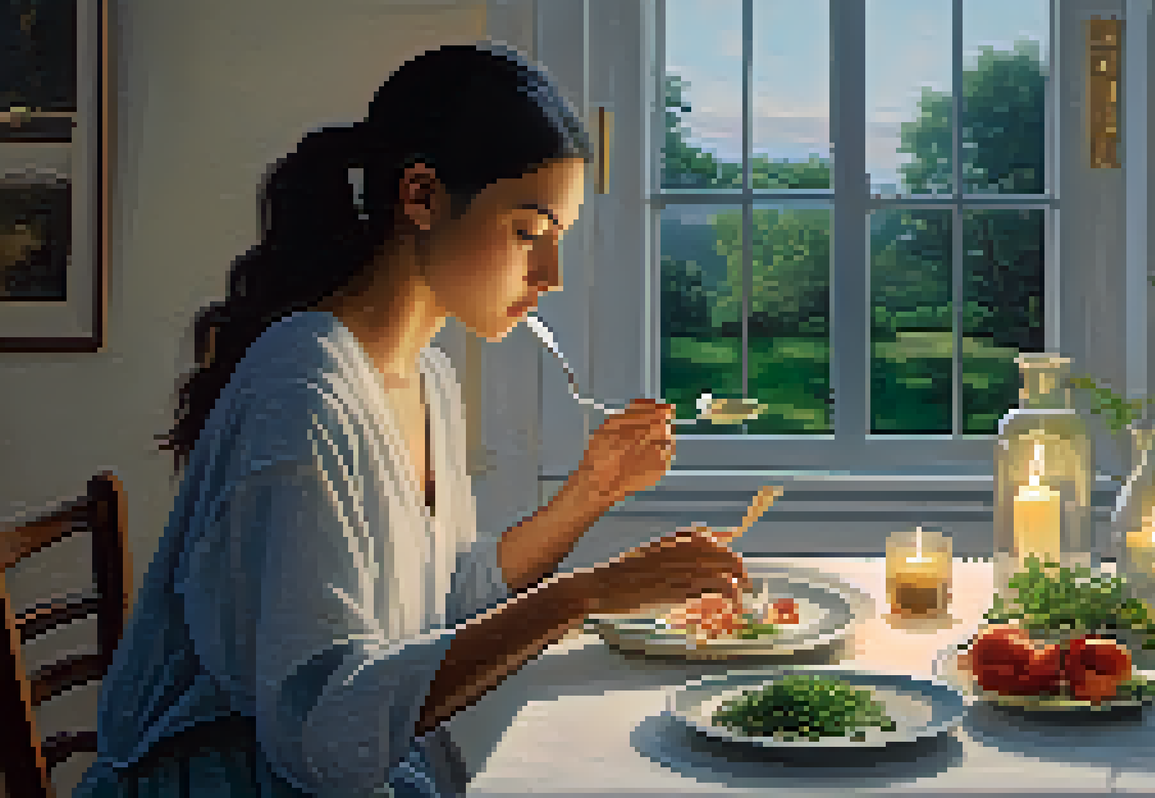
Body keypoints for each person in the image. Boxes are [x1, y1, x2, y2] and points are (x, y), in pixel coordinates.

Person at [75, 43, 748, 798]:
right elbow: (323, 738)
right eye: (529, 232)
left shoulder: (427, 376)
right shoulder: (304, 393)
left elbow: (443, 603)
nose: (551, 276)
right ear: (421, 196)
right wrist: (583, 597)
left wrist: (592, 493)